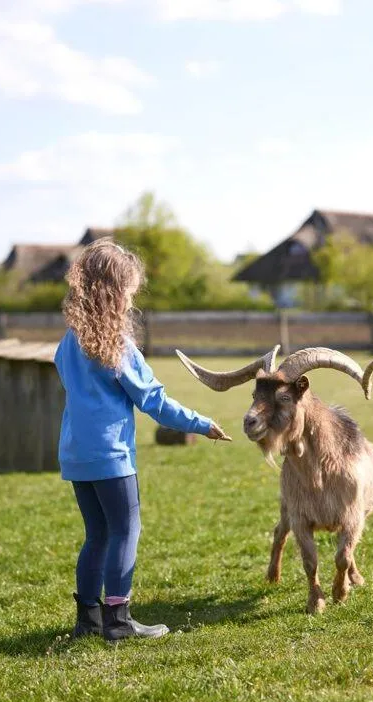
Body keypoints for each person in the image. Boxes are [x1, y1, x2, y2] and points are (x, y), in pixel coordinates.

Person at [54, 238, 230, 643]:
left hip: (77, 456)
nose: (131, 302)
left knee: (96, 534)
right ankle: (118, 620)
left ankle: (88, 620)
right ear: (115, 293)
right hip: (112, 458)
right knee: (125, 530)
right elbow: (155, 402)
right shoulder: (118, 347)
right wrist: (202, 424)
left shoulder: (68, 343)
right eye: (129, 293)